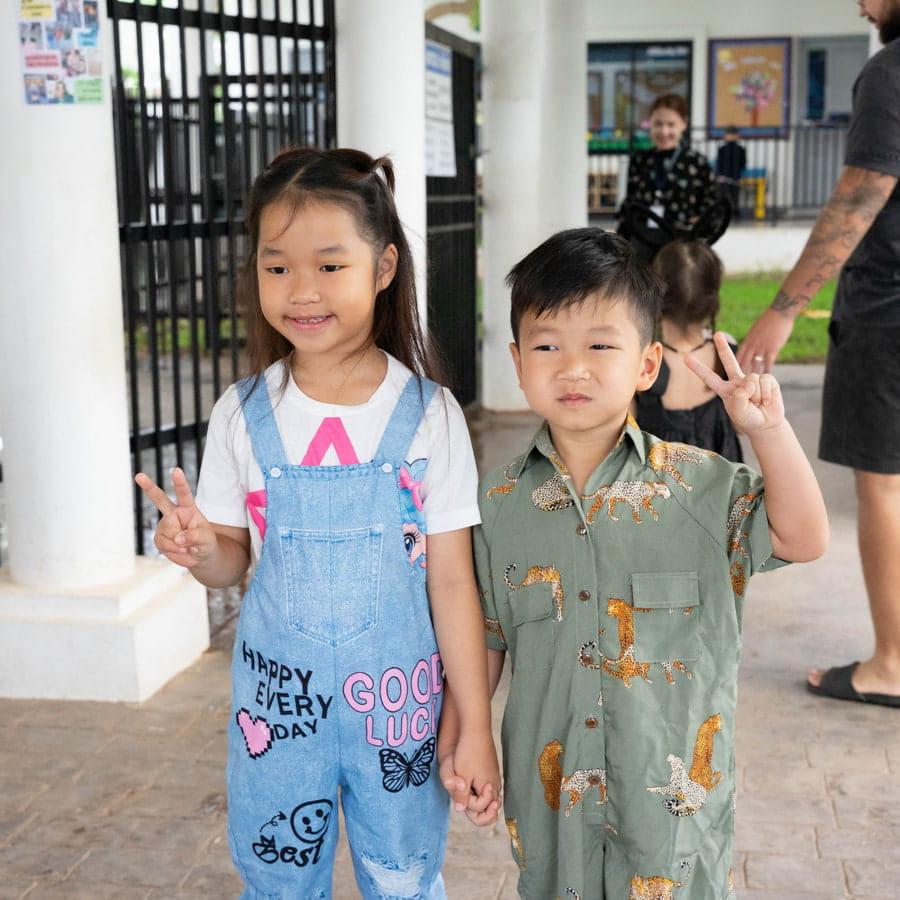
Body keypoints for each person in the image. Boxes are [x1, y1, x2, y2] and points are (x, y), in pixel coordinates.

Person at [135, 147, 500, 898]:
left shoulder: (429, 415)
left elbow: (453, 583)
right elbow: (232, 560)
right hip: (278, 709)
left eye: (330, 265)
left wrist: (473, 724)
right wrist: (199, 549)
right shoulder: (242, 412)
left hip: (398, 711)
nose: (302, 290)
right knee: (277, 882)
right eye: (277, 267)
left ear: (384, 266)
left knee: (404, 881)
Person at [443, 229, 827, 898]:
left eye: (600, 345)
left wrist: (769, 433)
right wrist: (468, 735)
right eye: (547, 346)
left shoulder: (699, 487)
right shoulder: (497, 504)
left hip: (672, 812)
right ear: (517, 362)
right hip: (551, 803)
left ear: (648, 364)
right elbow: (487, 638)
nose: (573, 368)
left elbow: (803, 538)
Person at [738, 0, 900, 707]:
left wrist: (782, 310)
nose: (858, 3)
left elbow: (859, 198)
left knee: (886, 485)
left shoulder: (891, 73)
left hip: (890, 309)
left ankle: (892, 665)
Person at [635, 240, 743, 461]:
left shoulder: (641, 362)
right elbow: (740, 426)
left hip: (663, 479)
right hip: (722, 478)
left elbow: (625, 433)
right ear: (711, 300)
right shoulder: (727, 354)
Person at [618, 93, 719, 260]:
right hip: (643, 243)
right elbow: (630, 203)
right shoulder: (639, 160)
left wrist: (699, 223)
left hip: (682, 247)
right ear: (650, 124)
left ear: (683, 124)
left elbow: (711, 206)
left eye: (671, 124)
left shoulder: (697, 163)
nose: (664, 131)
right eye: (658, 124)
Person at [715, 125, 747, 218]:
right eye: (728, 134)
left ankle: (733, 211)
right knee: (726, 195)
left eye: (731, 134)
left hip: (732, 177)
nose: (730, 136)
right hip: (726, 177)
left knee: (732, 195)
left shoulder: (739, 149)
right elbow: (719, 163)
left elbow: (743, 163)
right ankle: (728, 212)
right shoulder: (723, 149)